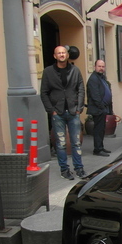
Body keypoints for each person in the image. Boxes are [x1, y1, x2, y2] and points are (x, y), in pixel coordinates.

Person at [40, 45, 87, 180]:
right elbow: (44, 93)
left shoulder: (75, 70)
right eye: (59, 53)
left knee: (76, 142)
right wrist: (51, 110)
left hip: (73, 112)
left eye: (64, 53)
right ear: (55, 56)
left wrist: (79, 107)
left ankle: (79, 168)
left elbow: (80, 89)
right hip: (58, 113)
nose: (61, 55)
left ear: (67, 55)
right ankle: (64, 170)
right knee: (60, 144)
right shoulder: (48, 72)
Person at [86, 59, 113, 157]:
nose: (101, 68)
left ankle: (101, 147)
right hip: (98, 109)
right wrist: (102, 107)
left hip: (103, 109)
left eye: (103, 66)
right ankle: (97, 149)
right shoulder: (93, 79)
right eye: (99, 66)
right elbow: (95, 96)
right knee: (98, 130)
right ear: (95, 67)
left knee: (101, 129)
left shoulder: (101, 77)